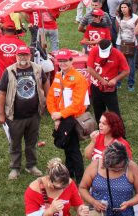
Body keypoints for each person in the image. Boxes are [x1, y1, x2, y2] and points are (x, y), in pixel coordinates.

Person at [0, 44, 49, 180]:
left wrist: (47, 100)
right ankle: (15, 168)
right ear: (16, 56)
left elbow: (45, 82)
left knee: (31, 142)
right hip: (15, 116)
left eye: (25, 55)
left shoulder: (37, 69)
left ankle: (31, 165)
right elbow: (2, 93)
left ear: (30, 55)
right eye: (20, 55)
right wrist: (1, 114)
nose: (23, 57)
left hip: (34, 114)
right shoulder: (9, 71)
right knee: (15, 143)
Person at [47, 49, 91, 183]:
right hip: (62, 117)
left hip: (73, 119)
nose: (62, 63)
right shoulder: (58, 76)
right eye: (60, 61)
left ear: (71, 61)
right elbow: (51, 97)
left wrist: (60, 114)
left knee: (73, 149)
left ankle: (80, 180)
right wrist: (56, 115)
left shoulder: (78, 79)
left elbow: (77, 105)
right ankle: (70, 175)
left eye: (65, 61)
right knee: (67, 147)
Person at [78, 142, 138, 216]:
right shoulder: (95, 166)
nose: (117, 170)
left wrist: (129, 203)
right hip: (99, 213)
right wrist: (94, 202)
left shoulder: (132, 167)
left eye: (120, 168)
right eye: (113, 169)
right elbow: (82, 188)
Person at [24, 157, 89, 216]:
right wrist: (50, 211)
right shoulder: (33, 190)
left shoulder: (69, 183)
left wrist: (80, 210)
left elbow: (78, 205)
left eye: (65, 187)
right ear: (49, 179)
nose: (62, 189)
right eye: (58, 187)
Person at [86, 39, 128, 123]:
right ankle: (101, 131)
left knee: (115, 113)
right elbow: (90, 69)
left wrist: (115, 79)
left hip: (109, 89)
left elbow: (126, 70)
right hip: (95, 87)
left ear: (111, 48)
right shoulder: (94, 50)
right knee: (98, 112)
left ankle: (120, 133)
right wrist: (101, 80)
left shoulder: (118, 54)